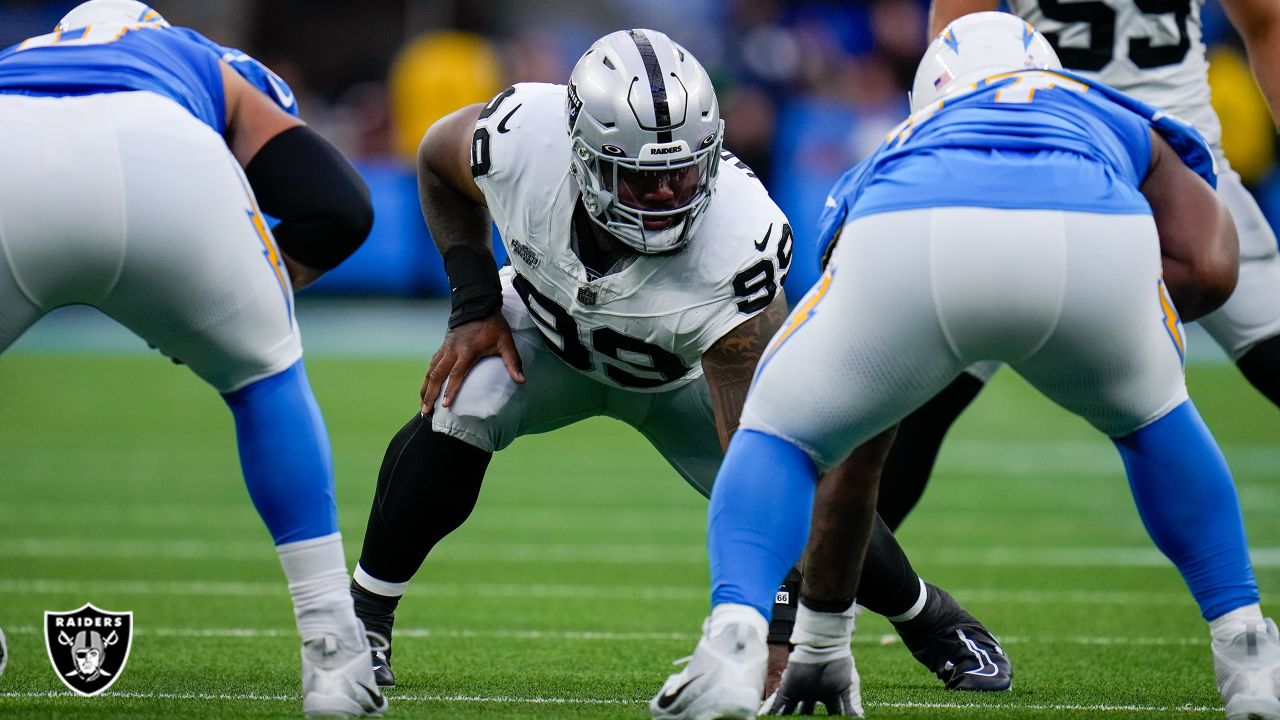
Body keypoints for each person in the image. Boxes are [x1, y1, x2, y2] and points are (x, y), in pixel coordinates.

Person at [346, 27, 1009, 704]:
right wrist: (474, 306)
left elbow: (765, 455)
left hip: (685, 379)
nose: (667, 192)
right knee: (468, 399)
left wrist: (775, 631)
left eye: (683, 171)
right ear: (581, 156)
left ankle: (930, 617)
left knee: (801, 495)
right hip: (545, 338)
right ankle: (362, 620)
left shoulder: (736, 245)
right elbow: (435, 162)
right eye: (642, 176)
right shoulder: (520, 138)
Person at [654, 12, 1280, 720]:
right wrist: (1123, 319)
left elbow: (860, 455)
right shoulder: (1108, 110)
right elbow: (1211, 263)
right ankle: (1246, 648)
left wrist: (824, 637)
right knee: (1158, 421)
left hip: (914, 228)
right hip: (1091, 230)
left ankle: (735, 641)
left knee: (776, 433)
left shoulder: (900, 138)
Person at [0, 2, 384, 716]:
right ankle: (333, 651)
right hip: (160, 147)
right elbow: (340, 206)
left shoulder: (21, 54)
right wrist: (243, 299)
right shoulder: (202, 56)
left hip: (9, 142)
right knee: (265, 377)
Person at [873, 0, 1280, 538]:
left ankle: (815, 595)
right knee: (919, 402)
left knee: (915, 403)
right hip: (1179, 180)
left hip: (1049, 171)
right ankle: (817, 592)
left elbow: (954, 44)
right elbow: (1266, 22)